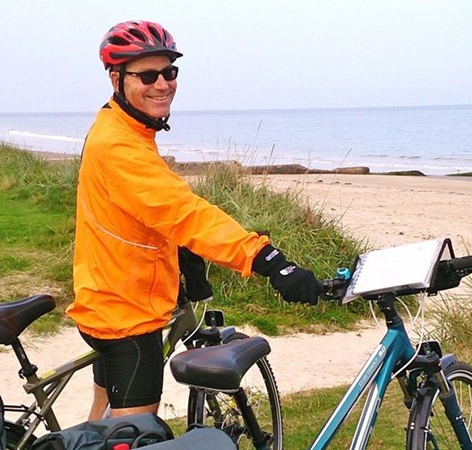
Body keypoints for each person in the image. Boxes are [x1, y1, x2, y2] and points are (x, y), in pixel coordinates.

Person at [68, 19, 323, 421]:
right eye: (147, 75)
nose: (162, 84)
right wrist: (266, 259)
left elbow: (149, 210)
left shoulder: (120, 127)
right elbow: (182, 210)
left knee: (102, 417)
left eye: (169, 72)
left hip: (108, 293)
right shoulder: (119, 145)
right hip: (126, 311)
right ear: (116, 79)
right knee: (132, 438)